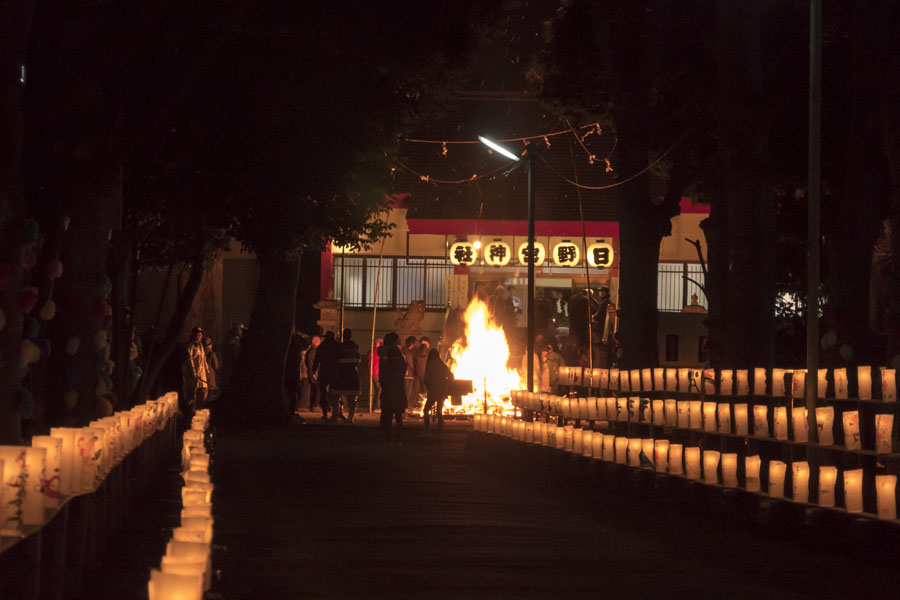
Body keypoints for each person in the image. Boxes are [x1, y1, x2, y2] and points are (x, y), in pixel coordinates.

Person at [378, 332, 407, 445]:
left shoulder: (386, 364)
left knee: (388, 417)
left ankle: (388, 437)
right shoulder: (402, 364)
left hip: (388, 392)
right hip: (399, 392)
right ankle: (398, 438)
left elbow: (382, 378)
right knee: (399, 417)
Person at [330, 329, 361, 422]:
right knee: (351, 397)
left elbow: (335, 359)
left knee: (336, 395)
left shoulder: (340, 346)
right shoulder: (355, 346)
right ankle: (350, 417)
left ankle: (335, 416)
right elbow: (358, 360)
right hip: (351, 373)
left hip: (341, 373)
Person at [423, 349, 453, 435]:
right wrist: (446, 385)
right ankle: (440, 430)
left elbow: (426, 378)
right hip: (442, 391)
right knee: (439, 411)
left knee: (426, 410)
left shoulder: (430, 365)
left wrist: (429, 386)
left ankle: (427, 430)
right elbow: (451, 377)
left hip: (433, 391)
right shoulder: (442, 365)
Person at [314, 331, 340, 420]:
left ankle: (325, 413)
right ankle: (334, 413)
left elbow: (317, 359)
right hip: (334, 372)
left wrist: (314, 370)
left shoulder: (322, 346)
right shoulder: (337, 346)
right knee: (334, 392)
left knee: (323, 392)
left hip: (324, 371)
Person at [183, 327, 209, 411]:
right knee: (192, 395)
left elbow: (204, 359)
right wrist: (193, 372)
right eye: (197, 334)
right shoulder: (190, 346)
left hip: (202, 375)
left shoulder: (200, 346)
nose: (199, 336)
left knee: (203, 393)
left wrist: (207, 370)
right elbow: (189, 360)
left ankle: (199, 410)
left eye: (200, 334)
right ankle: (190, 413)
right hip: (193, 376)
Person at [284, 330, 305, 415]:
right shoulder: (293, 345)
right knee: (291, 391)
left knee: (292, 392)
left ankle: (290, 411)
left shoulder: (294, 344)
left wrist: (295, 335)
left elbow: (304, 344)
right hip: (290, 369)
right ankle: (289, 411)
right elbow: (303, 344)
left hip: (291, 369)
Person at [305, 335, 325, 417]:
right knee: (318, 388)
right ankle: (315, 405)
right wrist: (313, 374)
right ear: (315, 343)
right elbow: (312, 364)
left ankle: (314, 405)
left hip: (312, 373)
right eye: (319, 342)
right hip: (312, 373)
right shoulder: (313, 351)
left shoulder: (311, 350)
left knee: (315, 389)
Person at [402, 335, 417, 410]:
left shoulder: (403, 350)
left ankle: (405, 407)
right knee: (407, 392)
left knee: (405, 392)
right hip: (409, 375)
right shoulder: (408, 352)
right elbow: (410, 363)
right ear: (412, 344)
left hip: (406, 374)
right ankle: (405, 408)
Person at [367, 338, 383, 411]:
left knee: (372, 391)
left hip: (370, 373)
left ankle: (370, 407)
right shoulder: (379, 351)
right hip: (377, 373)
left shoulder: (370, 351)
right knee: (380, 389)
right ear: (379, 343)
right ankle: (377, 407)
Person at [203, 336, 220, 403]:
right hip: (211, 382)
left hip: (202, 381)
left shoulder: (201, 353)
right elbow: (216, 366)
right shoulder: (212, 354)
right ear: (210, 345)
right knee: (210, 399)